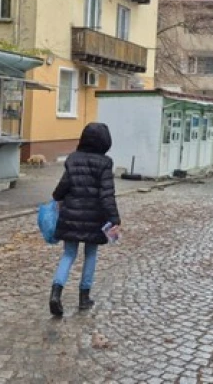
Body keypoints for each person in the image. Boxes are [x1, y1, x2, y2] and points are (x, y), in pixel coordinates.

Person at [49, 122, 121, 316]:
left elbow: (62, 188)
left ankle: (56, 293)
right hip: (94, 218)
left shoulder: (73, 159)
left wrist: (57, 197)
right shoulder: (105, 163)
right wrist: (114, 218)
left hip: (70, 215)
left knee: (68, 254)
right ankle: (84, 297)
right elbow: (107, 195)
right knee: (90, 254)